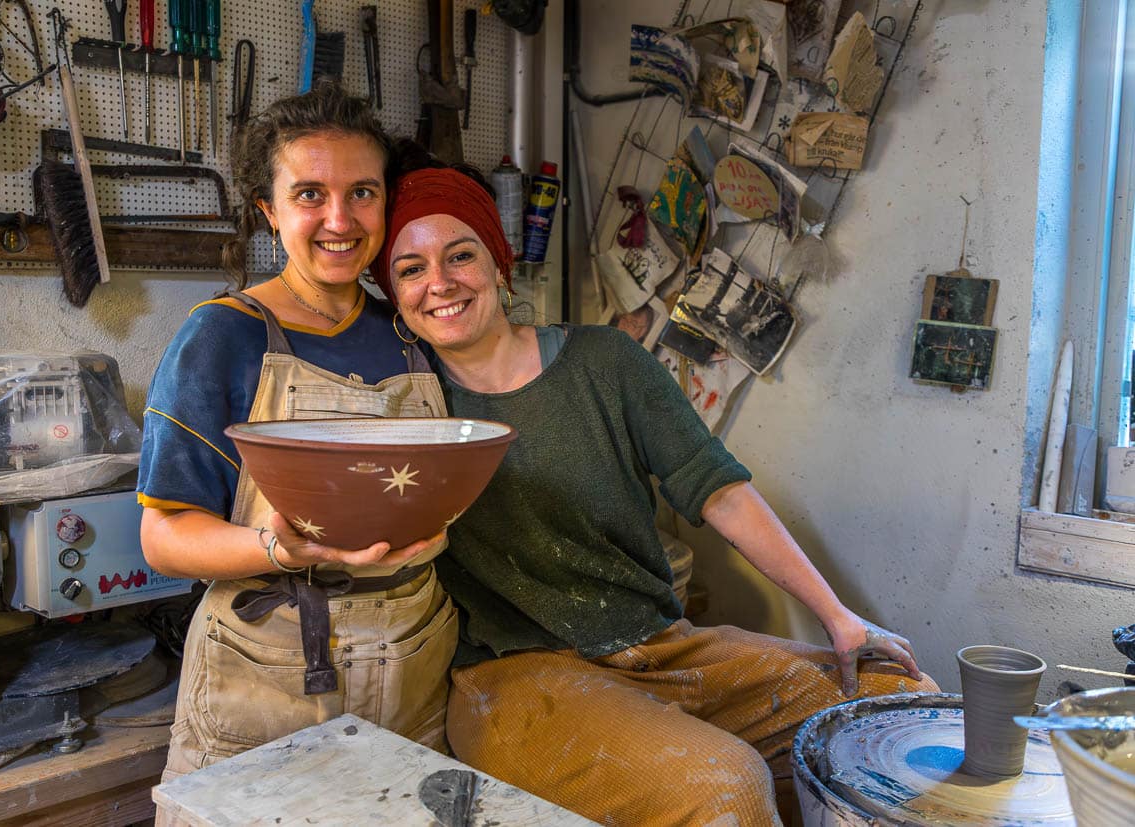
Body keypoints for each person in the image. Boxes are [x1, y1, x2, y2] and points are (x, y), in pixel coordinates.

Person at [371, 161, 940, 826]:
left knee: (895, 702)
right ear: (395, 295)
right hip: (519, 679)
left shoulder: (605, 362)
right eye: (411, 269)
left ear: (499, 263)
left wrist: (839, 616)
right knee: (724, 785)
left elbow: (720, 491)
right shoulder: (410, 408)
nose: (439, 282)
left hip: (662, 646)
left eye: (459, 254)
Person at [137, 88, 457, 805]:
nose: (339, 220)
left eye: (362, 193)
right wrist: (284, 550)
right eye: (310, 193)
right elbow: (162, 537)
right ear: (269, 211)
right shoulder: (221, 337)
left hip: (413, 662)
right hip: (267, 674)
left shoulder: (412, 333)